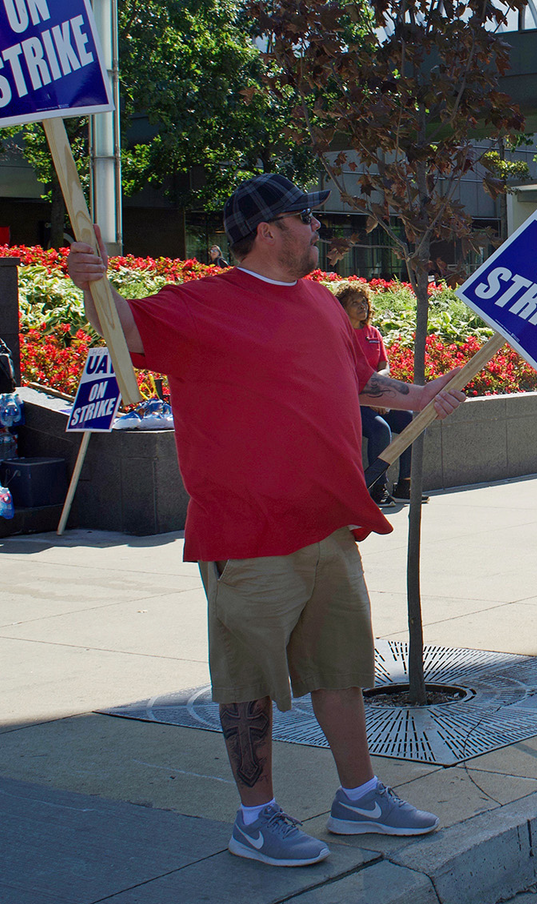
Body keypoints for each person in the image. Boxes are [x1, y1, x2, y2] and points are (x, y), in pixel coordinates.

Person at [65, 173, 467, 867]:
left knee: (339, 669)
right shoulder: (203, 305)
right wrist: (86, 281)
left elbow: (358, 383)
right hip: (247, 533)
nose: (318, 227)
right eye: (304, 217)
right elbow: (121, 326)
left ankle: (359, 795)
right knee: (247, 680)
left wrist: (419, 394)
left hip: (330, 526)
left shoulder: (320, 305)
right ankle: (256, 818)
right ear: (267, 231)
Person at [335, 282, 417, 504]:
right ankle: (377, 488)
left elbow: (384, 365)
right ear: (342, 307)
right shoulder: (338, 334)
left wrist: (380, 390)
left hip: (378, 395)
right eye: (355, 303)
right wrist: (371, 397)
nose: (362, 306)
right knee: (381, 429)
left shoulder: (373, 333)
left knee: (411, 421)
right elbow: (345, 372)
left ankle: (405, 485)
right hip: (352, 402)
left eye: (364, 302)